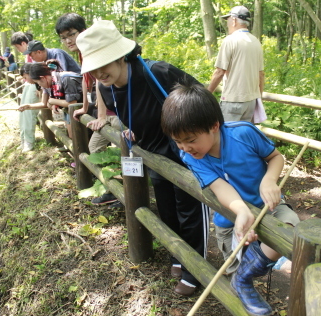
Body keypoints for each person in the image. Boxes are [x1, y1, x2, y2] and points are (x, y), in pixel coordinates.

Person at [76, 20, 211, 296]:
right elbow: (128, 113)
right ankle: (177, 255)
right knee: (167, 210)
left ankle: (194, 271)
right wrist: (130, 130)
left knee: (190, 213)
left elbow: (202, 101)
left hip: (185, 154)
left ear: (121, 55)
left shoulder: (157, 72)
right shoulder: (106, 88)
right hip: (152, 155)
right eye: (94, 66)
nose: (100, 72)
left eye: (105, 63)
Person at [161, 83, 300, 316]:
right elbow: (220, 187)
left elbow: (275, 157)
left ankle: (244, 279)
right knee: (240, 262)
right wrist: (241, 211)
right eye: (178, 142)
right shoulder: (191, 157)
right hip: (230, 223)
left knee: (292, 230)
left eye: (190, 139)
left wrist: (269, 180)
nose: (185, 147)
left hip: (269, 207)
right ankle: (244, 281)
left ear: (214, 125)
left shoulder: (244, 133)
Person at [56, 12, 122, 206]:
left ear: (83, 31)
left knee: (123, 151)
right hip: (107, 111)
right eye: (63, 37)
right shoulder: (81, 53)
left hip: (117, 111)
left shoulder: (96, 49)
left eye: (71, 34)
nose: (68, 40)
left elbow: (102, 83)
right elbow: (87, 82)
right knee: (94, 148)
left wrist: (101, 115)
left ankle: (126, 193)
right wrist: (85, 107)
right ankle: (114, 189)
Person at [207, 6, 265, 123]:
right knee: (243, 137)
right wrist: (259, 97)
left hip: (233, 101)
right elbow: (261, 74)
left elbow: (219, 72)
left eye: (228, 19)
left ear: (233, 20)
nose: (228, 23)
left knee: (227, 136)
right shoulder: (256, 42)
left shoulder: (230, 40)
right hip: (251, 102)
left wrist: (207, 94)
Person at [28, 59, 83, 138]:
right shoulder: (54, 83)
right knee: (72, 137)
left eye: (38, 83)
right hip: (75, 111)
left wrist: (52, 101)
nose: (39, 86)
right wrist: (54, 103)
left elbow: (72, 103)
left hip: (91, 109)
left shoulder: (66, 78)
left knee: (78, 138)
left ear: (43, 78)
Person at [17, 63, 42, 152]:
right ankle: (23, 138)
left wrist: (40, 89)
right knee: (23, 112)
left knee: (29, 114)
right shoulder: (28, 82)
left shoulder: (38, 81)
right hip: (29, 85)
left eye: (25, 77)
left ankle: (29, 141)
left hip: (34, 86)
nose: (24, 79)